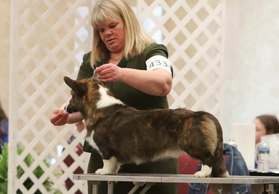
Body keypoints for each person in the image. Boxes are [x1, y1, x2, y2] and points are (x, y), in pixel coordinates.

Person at [50, 0, 176, 193]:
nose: (107, 33)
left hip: (152, 159)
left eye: (112, 26)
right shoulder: (92, 61)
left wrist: (121, 73)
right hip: (106, 161)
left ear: (128, 22)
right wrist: (65, 114)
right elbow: (78, 104)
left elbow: (163, 83)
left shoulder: (151, 51)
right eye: (100, 30)